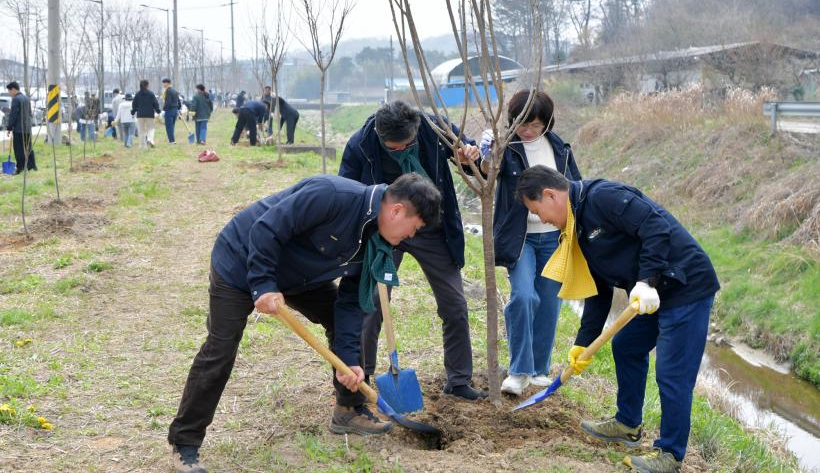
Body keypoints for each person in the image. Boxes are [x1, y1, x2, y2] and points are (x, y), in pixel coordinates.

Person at [167, 173, 442, 473]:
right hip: (240, 261)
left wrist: (348, 362)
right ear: (397, 211)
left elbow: (349, 305)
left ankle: (348, 410)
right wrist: (263, 284)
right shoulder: (332, 195)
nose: (411, 236)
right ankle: (185, 444)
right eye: (415, 228)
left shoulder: (379, 241)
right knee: (221, 348)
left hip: (300, 278)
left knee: (340, 321)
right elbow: (266, 229)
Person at [516, 166, 720, 473]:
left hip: (685, 285)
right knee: (626, 345)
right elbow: (598, 290)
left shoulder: (603, 198)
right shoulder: (577, 227)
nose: (541, 219)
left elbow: (656, 227)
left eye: (536, 211)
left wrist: (647, 280)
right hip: (654, 293)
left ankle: (670, 454)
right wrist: (583, 343)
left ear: (550, 195)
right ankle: (628, 425)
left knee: (672, 372)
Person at [339, 100, 486, 401]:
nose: (401, 151)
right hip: (384, 230)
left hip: (432, 229)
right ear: (380, 134)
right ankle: (362, 377)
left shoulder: (434, 129)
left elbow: (472, 160)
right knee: (371, 303)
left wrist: (468, 155)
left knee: (455, 304)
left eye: (406, 145)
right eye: (393, 147)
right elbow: (347, 192)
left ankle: (458, 380)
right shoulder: (360, 144)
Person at [481, 90, 582, 396]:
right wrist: (487, 153)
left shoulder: (559, 148)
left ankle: (538, 369)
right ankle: (519, 370)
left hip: (553, 235)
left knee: (550, 301)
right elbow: (487, 174)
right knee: (524, 296)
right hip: (520, 236)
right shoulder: (507, 148)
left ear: (546, 123)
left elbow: (575, 186)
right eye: (522, 123)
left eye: (535, 125)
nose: (527, 130)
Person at [5, 81, 37, 174]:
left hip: (19, 129)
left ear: (13, 89)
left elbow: (13, 115)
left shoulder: (16, 99)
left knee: (19, 149)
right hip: (27, 128)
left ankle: (20, 168)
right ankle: (32, 166)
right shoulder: (27, 98)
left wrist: (9, 127)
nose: (9, 93)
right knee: (28, 148)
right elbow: (30, 114)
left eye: (9, 91)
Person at [132, 80, 160, 148]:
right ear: (147, 85)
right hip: (150, 114)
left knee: (141, 131)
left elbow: (134, 104)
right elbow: (155, 103)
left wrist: (134, 110)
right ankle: (150, 139)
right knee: (151, 128)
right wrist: (157, 110)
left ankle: (142, 145)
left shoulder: (137, 94)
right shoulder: (151, 94)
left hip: (140, 115)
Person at [162, 78, 182, 144]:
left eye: (164, 83)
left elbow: (168, 102)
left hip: (169, 110)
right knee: (172, 126)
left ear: (167, 83)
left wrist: (164, 109)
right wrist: (178, 108)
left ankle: (172, 141)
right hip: (175, 110)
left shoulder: (168, 91)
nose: (163, 85)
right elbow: (179, 101)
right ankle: (172, 139)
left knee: (168, 126)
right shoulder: (174, 91)